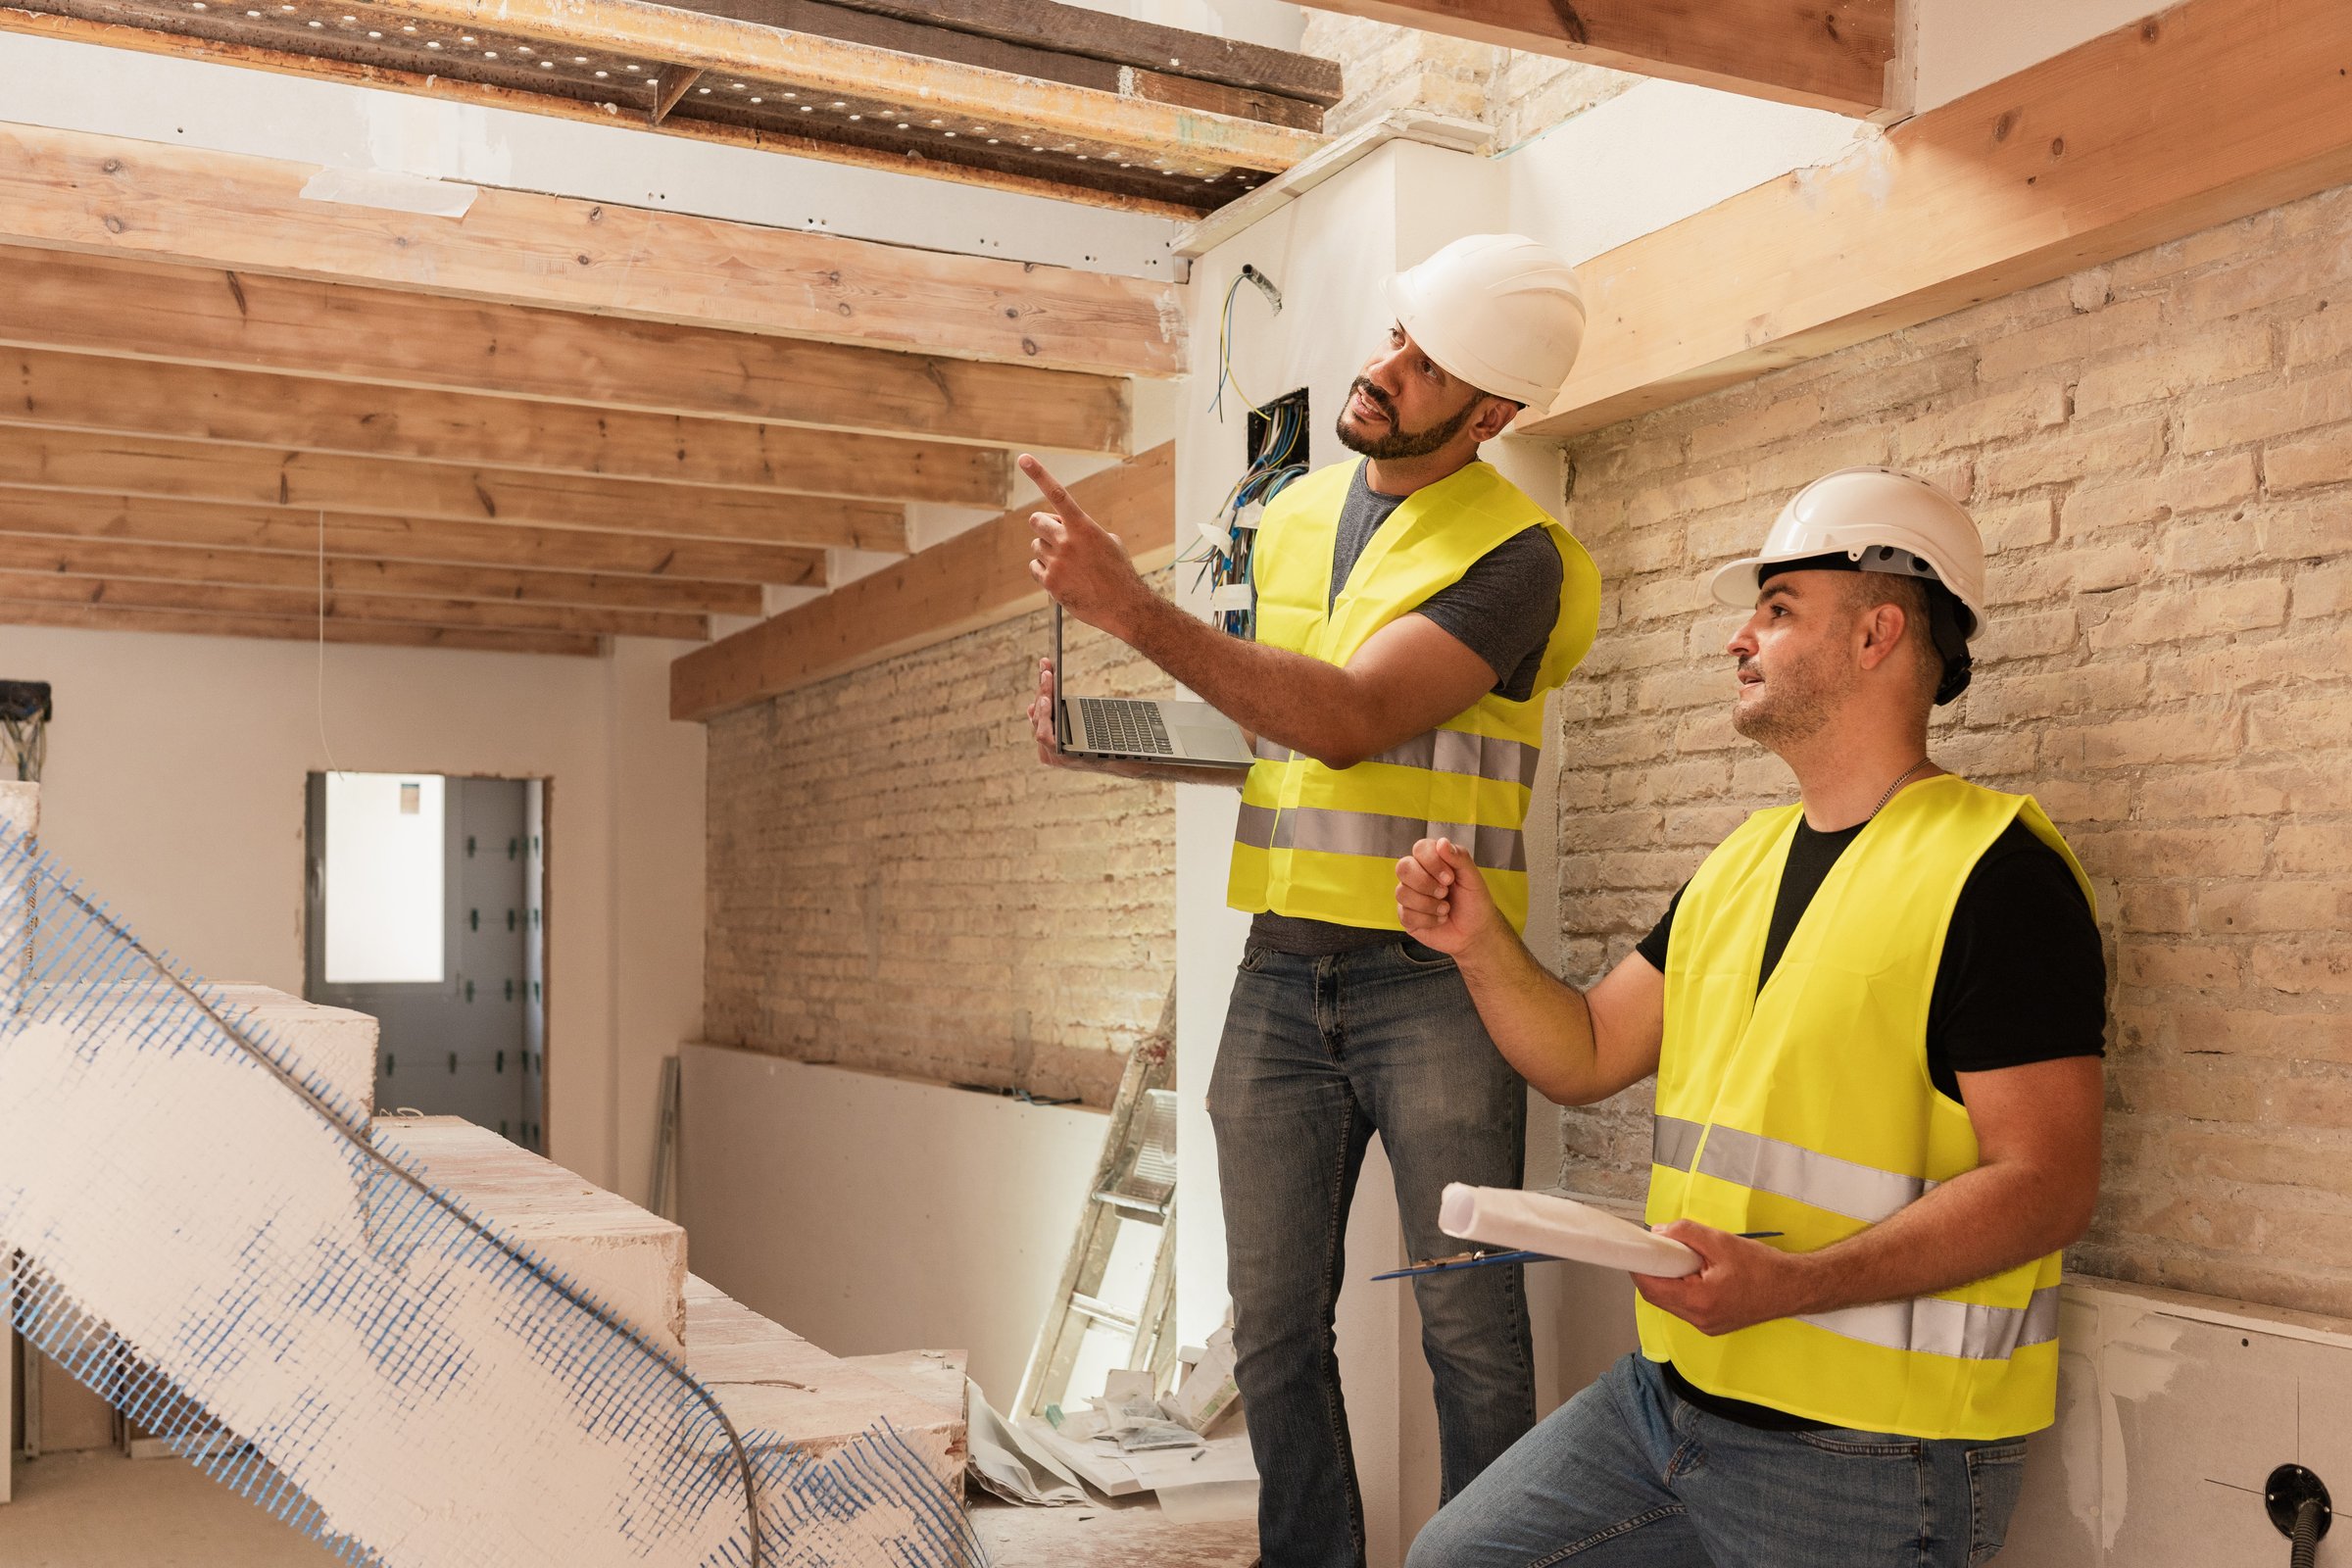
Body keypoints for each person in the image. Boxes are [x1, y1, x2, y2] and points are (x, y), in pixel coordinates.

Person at [1396, 467, 2107, 1568]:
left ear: (1877, 634)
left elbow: (2050, 1183)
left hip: (1874, 1455)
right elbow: (1585, 1052)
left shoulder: (1997, 873)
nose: (1741, 636)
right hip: (1667, 1403)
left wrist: (1799, 1285)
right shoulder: (1741, 861)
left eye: (1778, 610)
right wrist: (1479, 945)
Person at [1022, 235, 1602, 1568]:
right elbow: (1272, 727)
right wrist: (1116, 737)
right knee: (1274, 1327)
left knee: (1467, 1325)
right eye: (1395, 336)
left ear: (1493, 416)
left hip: (1436, 982)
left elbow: (1349, 719)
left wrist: (1132, 611)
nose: (1383, 368)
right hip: (1280, 974)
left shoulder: (1525, 558)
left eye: (1426, 365)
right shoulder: (1289, 517)